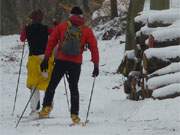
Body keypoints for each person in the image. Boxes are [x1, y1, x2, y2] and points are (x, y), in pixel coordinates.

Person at [39, 6, 99, 124]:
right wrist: (96, 64)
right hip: (76, 63)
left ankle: (46, 108)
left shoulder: (62, 26)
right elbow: (93, 47)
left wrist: (46, 58)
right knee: (73, 88)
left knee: (52, 84)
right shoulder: (86, 30)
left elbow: (51, 41)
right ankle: (74, 115)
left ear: (70, 15)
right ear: (82, 16)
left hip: (61, 60)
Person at [20, 9, 54, 116]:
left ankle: (34, 110)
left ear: (32, 19)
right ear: (41, 19)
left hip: (33, 59)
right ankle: (47, 108)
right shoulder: (46, 28)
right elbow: (55, 35)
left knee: (34, 84)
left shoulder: (27, 28)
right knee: (47, 83)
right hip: (45, 58)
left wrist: (24, 28)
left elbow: (22, 39)